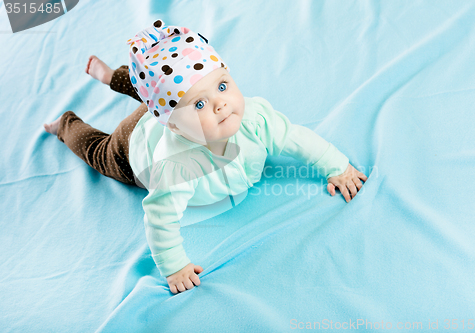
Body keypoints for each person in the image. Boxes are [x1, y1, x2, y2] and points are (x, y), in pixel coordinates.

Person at [43, 19, 368, 294]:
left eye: (223, 86)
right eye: (201, 105)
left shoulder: (255, 117)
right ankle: (66, 125)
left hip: (168, 106)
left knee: (159, 83)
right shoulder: (175, 169)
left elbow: (298, 138)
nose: (221, 104)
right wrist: (175, 267)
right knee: (97, 149)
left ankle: (112, 75)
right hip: (132, 148)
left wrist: (336, 167)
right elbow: (160, 221)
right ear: (174, 129)